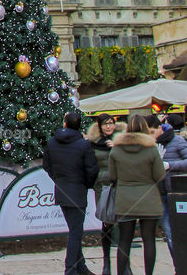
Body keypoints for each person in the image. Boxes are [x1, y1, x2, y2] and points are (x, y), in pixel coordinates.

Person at [110, 115, 166, 275]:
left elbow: (113, 176)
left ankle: (122, 272)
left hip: (125, 199)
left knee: (124, 241)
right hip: (148, 198)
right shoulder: (151, 149)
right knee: (149, 240)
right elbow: (159, 175)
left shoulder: (116, 149)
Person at [43, 112, 98, 275]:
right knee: (76, 232)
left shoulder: (52, 142)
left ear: (65, 123)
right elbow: (92, 169)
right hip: (77, 191)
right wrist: (85, 184)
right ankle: (70, 268)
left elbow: (47, 165)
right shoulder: (83, 144)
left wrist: (58, 179)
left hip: (62, 189)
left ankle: (80, 266)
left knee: (74, 229)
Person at [145, 114, 187, 257]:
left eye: (152, 132)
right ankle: (178, 266)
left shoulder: (177, 140)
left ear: (160, 128)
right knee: (169, 232)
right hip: (160, 195)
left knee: (185, 232)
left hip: (178, 192)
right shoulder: (148, 146)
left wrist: (169, 165)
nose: (150, 136)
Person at [87, 114, 124, 275]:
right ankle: (106, 262)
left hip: (121, 185)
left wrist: (117, 146)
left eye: (111, 124)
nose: (109, 127)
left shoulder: (122, 140)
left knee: (124, 223)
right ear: (100, 126)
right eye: (105, 124)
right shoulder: (93, 143)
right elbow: (90, 165)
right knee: (107, 223)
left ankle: (124, 263)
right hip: (103, 186)